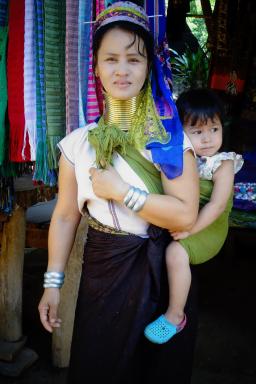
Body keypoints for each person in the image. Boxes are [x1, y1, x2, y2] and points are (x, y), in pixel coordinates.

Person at [38, 2, 199, 383]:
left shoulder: (168, 141)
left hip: (158, 272)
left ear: (149, 66)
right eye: (111, 59)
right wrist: (52, 284)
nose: (122, 70)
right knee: (99, 364)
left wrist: (123, 191)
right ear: (95, 66)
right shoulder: (77, 146)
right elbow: (64, 216)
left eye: (134, 59)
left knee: (154, 371)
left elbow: (185, 215)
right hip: (102, 273)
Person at [144, 88, 243, 344]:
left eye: (214, 129)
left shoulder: (224, 163)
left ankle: (175, 316)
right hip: (187, 219)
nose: (208, 139)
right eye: (197, 132)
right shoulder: (180, 156)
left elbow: (218, 206)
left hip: (209, 225)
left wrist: (190, 230)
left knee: (175, 252)